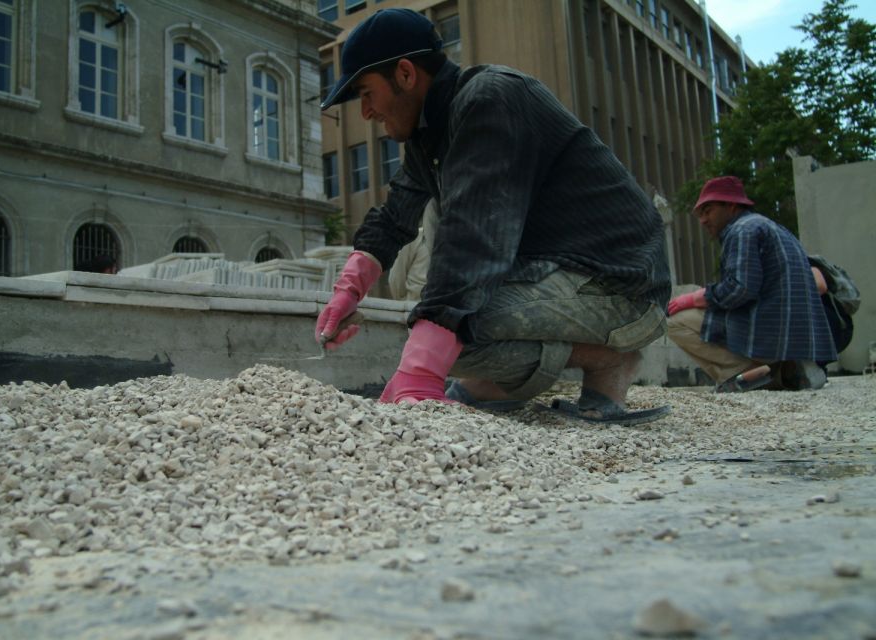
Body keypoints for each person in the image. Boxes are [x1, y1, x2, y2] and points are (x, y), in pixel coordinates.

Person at [315, 8, 672, 424]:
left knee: (449, 327)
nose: (366, 112)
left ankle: (611, 360)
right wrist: (349, 288)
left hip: (624, 286)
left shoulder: (490, 99)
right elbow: (395, 215)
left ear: (406, 74)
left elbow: (473, 237)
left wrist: (422, 370)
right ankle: (496, 383)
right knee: (438, 323)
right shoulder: (429, 134)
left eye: (365, 93)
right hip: (564, 276)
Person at [666, 176, 836, 392]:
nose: (703, 220)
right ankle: (789, 370)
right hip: (799, 338)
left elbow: (739, 290)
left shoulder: (741, 231)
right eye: (700, 214)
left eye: (707, 210)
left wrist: (691, 298)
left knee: (673, 321)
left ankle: (745, 377)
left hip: (770, 334)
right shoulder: (776, 228)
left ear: (732, 205)